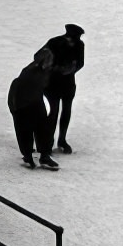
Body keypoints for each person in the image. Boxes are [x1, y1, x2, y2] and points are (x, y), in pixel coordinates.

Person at [7, 48, 59, 170]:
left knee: (42, 130)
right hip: (24, 105)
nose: (51, 64)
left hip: (35, 103)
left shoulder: (41, 71)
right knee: (26, 131)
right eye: (49, 61)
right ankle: (29, 155)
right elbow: (21, 88)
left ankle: (43, 155)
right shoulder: (30, 72)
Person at [42, 24, 84, 155]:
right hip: (53, 84)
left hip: (67, 84)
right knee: (53, 113)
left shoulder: (78, 45)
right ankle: (48, 142)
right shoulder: (55, 42)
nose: (76, 40)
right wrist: (55, 69)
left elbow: (80, 63)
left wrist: (71, 69)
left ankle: (61, 140)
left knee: (65, 111)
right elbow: (40, 57)